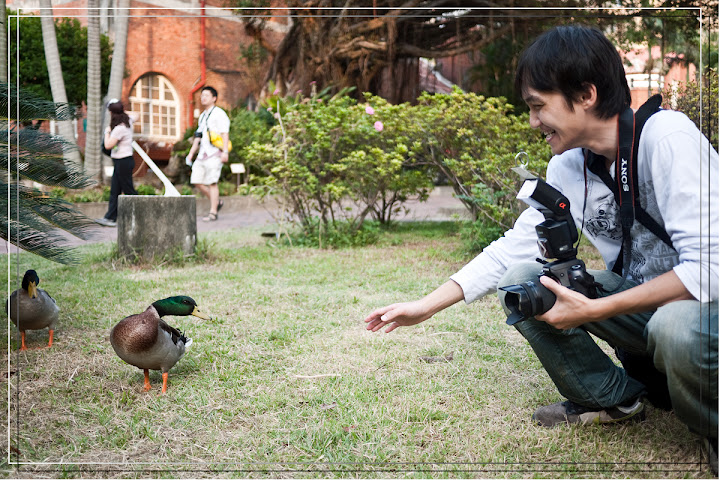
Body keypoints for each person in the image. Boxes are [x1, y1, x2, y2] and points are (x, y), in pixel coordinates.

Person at [365, 25, 718, 471]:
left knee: (675, 326)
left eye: (538, 106)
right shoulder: (570, 165)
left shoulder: (666, 137)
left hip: (704, 311)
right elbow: (514, 248)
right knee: (524, 282)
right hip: (647, 309)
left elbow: (709, 270)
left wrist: (595, 310)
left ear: (586, 95)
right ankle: (613, 400)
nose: (534, 122)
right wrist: (425, 306)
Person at [185, 86, 230, 222]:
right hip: (202, 154)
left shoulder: (219, 114)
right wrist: (191, 153)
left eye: (206, 95)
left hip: (215, 153)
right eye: (202, 95)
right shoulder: (202, 116)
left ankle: (213, 212)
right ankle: (217, 202)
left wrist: (225, 152)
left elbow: (225, 133)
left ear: (214, 98)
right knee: (196, 181)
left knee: (212, 182)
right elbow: (198, 136)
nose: (203, 98)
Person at [96, 100, 138, 227]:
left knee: (129, 190)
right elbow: (137, 115)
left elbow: (108, 145)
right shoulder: (128, 121)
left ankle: (140, 215)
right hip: (122, 161)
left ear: (112, 113)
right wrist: (121, 111)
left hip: (123, 161)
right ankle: (110, 218)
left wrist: (107, 132)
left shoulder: (119, 128)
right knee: (115, 191)